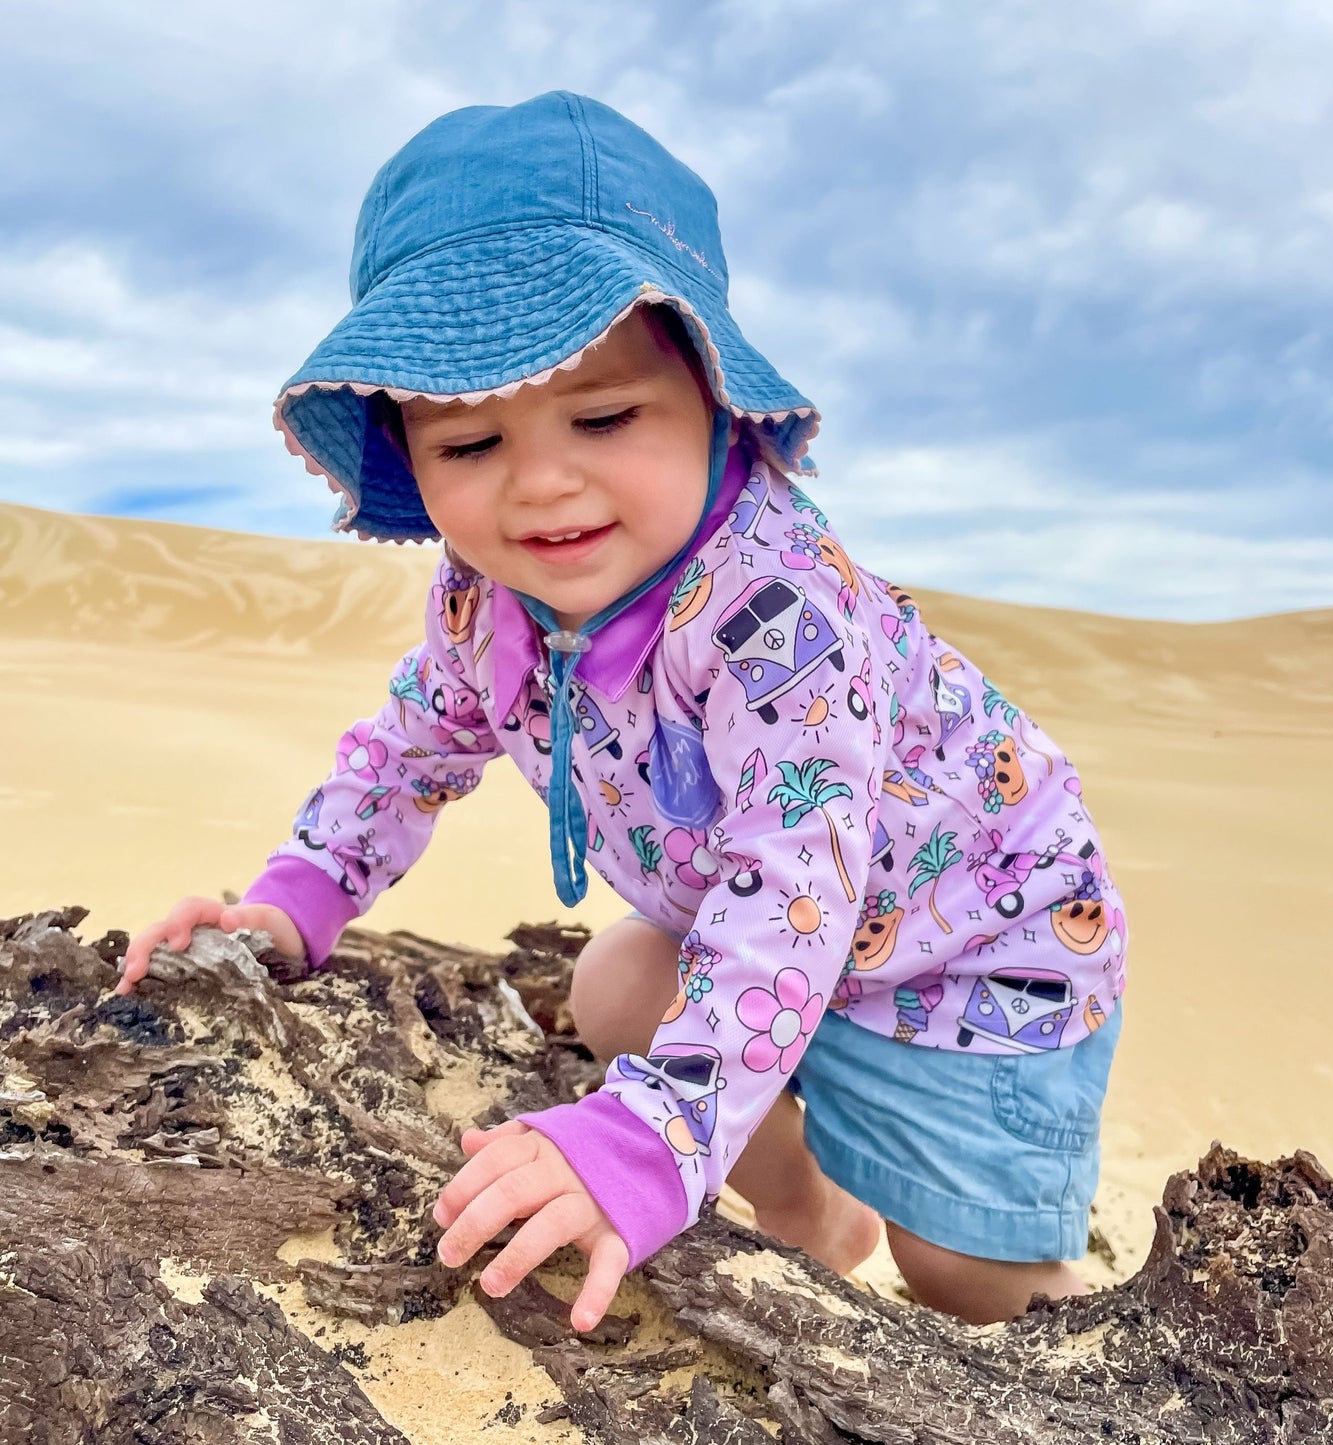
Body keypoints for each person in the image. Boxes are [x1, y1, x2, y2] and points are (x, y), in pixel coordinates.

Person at [118, 92, 1128, 1331]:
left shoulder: (777, 611)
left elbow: (794, 874)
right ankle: (811, 1209)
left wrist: (650, 1142)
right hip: (777, 933)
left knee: (965, 1279)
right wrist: (292, 900)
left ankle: (1019, 1306)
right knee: (612, 989)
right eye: (468, 441)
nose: (540, 483)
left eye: (602, 416)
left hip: (972, 956)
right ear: (405, 451)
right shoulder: (487, 597)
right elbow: (406, 748)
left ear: (713, 398)